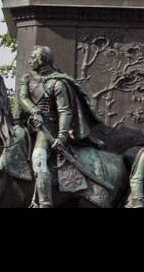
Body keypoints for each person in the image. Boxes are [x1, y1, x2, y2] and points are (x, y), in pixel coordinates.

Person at [15, 45, 104, 208]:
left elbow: (65, 111)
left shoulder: (57, 83)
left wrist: (62, 136)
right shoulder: (27, 78)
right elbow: (22, 98)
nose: (29, 60)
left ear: (42, 60)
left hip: (48, 128)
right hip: (27, 125)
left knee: (39, 159)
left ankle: (45, 203)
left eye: (33, 57)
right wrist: (34, 111)